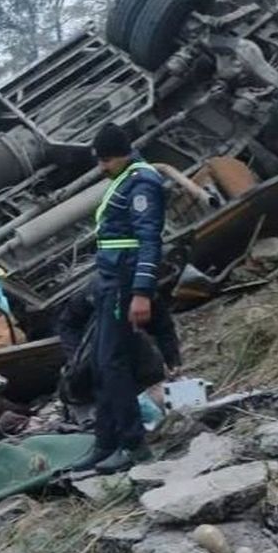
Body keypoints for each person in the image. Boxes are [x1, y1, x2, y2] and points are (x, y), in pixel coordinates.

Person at [77, 122, 168, 475]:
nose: (102, 167)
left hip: (125, 283)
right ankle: (106, 441)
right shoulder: (125, 178)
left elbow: (149, 241)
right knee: (101, 364)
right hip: (110, 281)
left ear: (121, 155)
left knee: (114, 364)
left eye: (105, 161)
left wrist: (142, 293)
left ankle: (133, 444)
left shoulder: (142, 184)